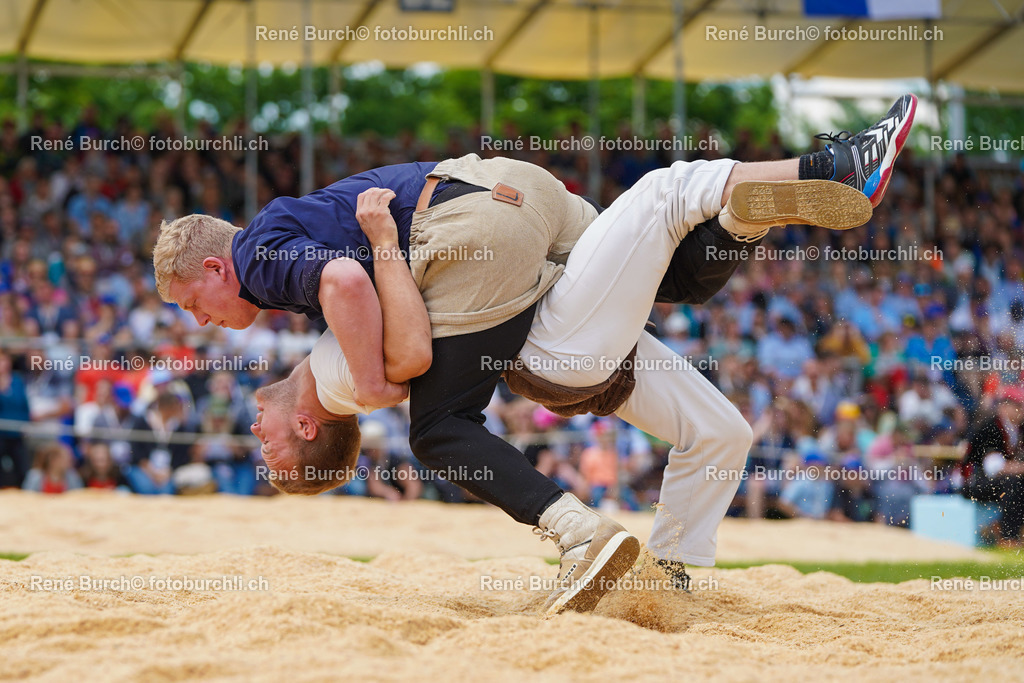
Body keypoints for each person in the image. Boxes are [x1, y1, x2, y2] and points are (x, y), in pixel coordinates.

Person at [155, 96, 917, 613]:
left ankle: (833, 168)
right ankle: (746, 219)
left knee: (437, 425)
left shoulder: (257, 256)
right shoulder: (296, 274)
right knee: (700, 348)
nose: (211, 323)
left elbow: (352, 285)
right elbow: (371, 300)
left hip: (469, 226)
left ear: (216, 268)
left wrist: (384, 378)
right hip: (512, 192)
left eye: (196, 304)